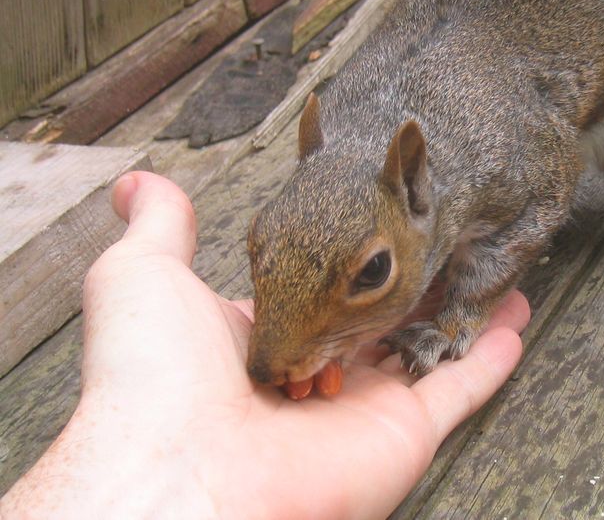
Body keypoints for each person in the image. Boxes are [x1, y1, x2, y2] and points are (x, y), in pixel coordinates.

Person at [0, 171, 529, 518]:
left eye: (371, 272)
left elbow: (544, 194)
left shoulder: (480, 175)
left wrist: (462, 312)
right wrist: (152, 453)